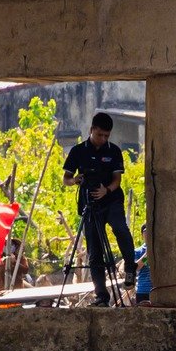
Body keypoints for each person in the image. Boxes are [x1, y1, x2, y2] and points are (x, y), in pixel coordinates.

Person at [62, 110, 134, 306]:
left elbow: (117, 180)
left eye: (106, 136)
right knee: (95, 251)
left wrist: (106, 190)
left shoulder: (114, 151)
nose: (103, 139)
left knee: (120, 228)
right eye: (100, 134)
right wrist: (75, 180)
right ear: (92, 129)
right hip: (89, 204)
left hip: (110, 200)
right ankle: (101, 296)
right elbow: (66, 178)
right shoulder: (78, 151)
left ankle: (129, 265)